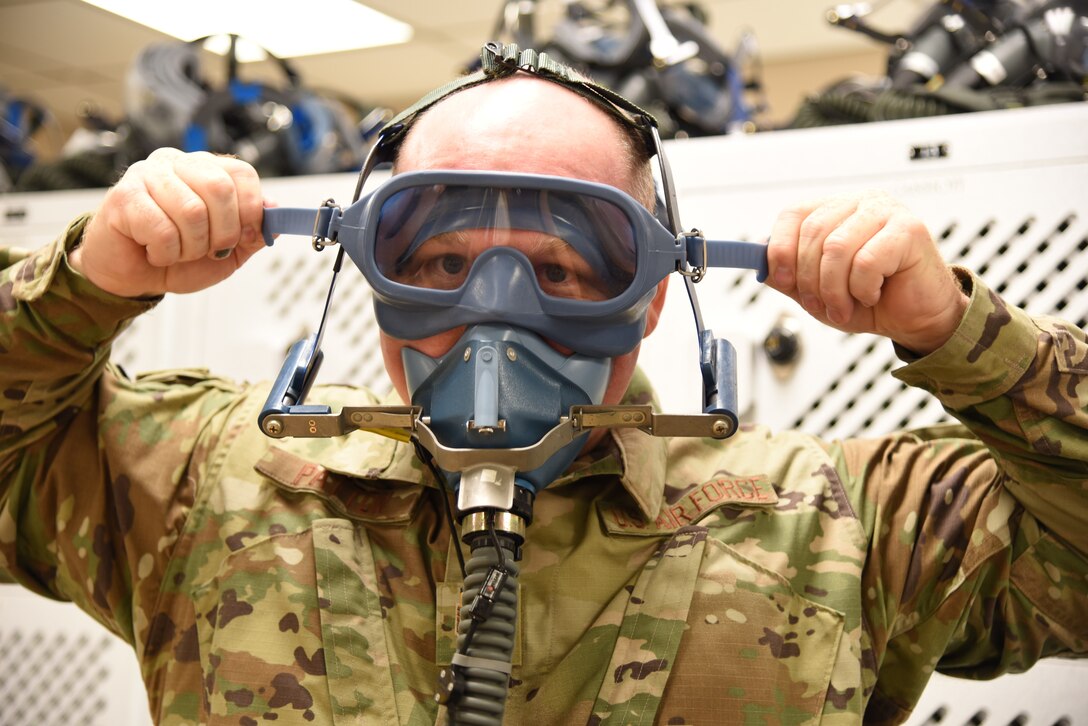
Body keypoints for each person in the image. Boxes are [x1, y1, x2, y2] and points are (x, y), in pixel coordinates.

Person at [2, 43, 1085, 726]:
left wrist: (959, 331)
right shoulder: (203, 480)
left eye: (565, 267)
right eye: (437, 262)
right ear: (373, 275)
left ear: (652, 292)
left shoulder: (845, 527)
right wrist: (83, 286)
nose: (495, 312)